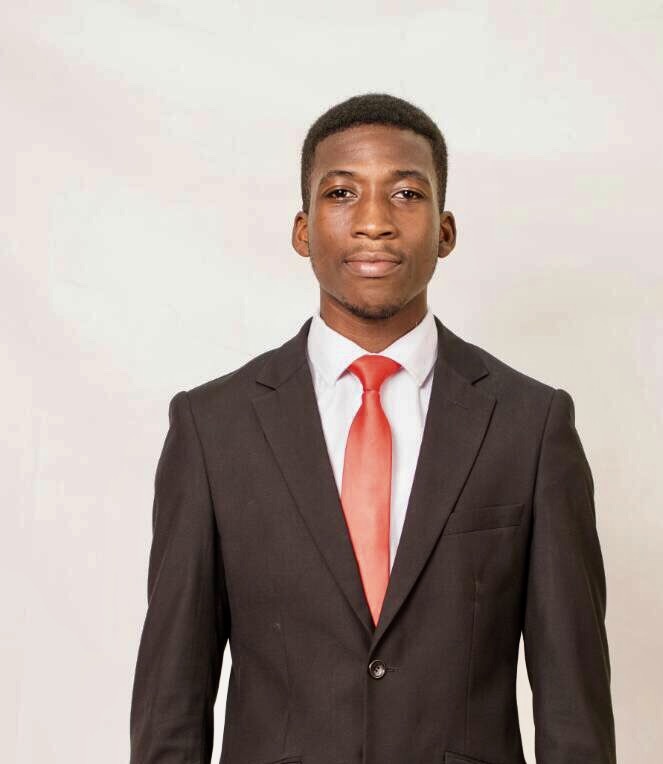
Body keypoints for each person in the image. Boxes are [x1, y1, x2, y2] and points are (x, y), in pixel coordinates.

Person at [129, 92, 616, 764]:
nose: (374, 223)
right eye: (341, 193)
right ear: (303, 230)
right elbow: (170, 707)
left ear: (445, 231)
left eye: (407, 194)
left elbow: (574, 711)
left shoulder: (530, 425)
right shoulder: (213, 428)